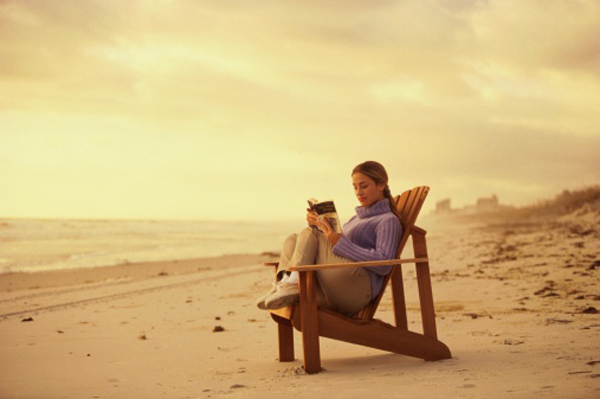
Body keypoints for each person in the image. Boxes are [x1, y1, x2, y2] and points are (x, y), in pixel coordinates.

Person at [256, 161, 404, 317]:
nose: (358, 192)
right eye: (355, 187)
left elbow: (385, 263)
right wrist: (319, 225)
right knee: (293, 238)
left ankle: (293, 284)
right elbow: (336, 244)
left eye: (364, 186)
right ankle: (284, 284)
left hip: (356, 289)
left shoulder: (387, 220)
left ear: (381, 184)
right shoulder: (356, 219)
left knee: (311, 234)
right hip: (334, 288)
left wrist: (339, 242)